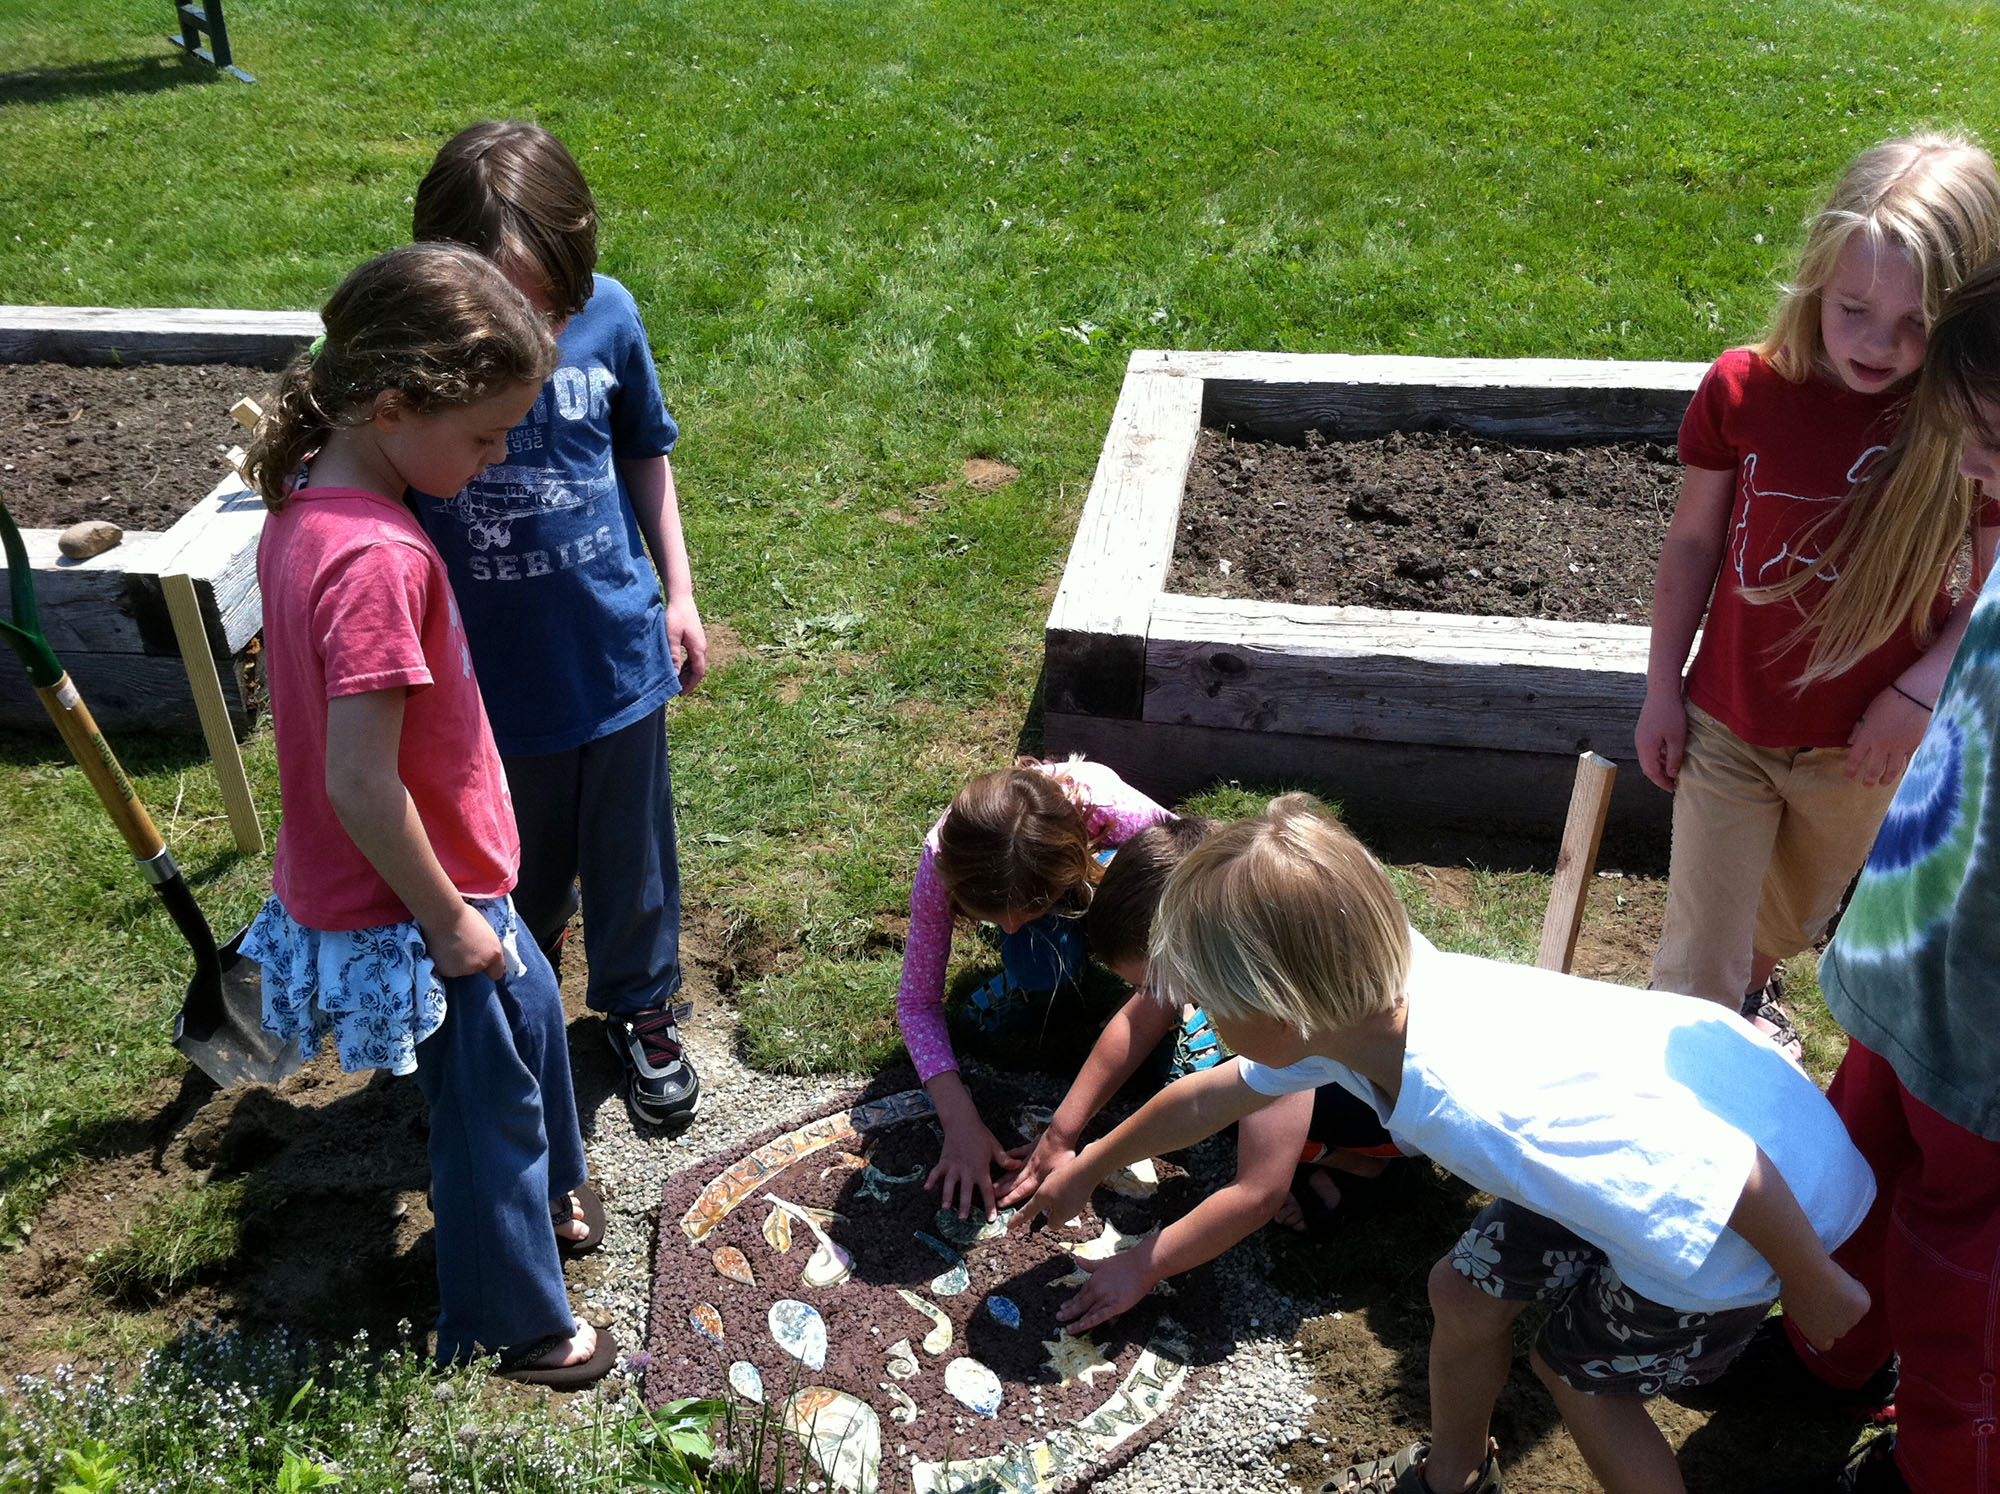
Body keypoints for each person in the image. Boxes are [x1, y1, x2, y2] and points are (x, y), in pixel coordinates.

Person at [1014, 795, 1877, 1494]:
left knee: (1579, 1378)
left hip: (1741, 1228)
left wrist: (1817, 1287)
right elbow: (1220, 1091)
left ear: (1282, 1006)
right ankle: (1454, 1477)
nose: (1196, 1018)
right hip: (1697, 1124)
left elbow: (1726, 1172)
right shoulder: (1364, 1001)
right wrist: (1086, 1163)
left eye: (1204, 999)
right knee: (1461, 1293)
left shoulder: (1480, 1110)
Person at [238, 245, 615, 1387]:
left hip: (448, 879)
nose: (498, 457)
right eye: (485, 436)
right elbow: (360, 781)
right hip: (421, 901)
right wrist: (451, 924)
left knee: (535, 1023)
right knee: (486, 1108)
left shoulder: (315, 500)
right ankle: (521, 1322)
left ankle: (552, 1201)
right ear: (394, 405)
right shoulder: (375, 562)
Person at [1637, 133, 2000, 1052]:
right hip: (1729, 724)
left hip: (1860, 750)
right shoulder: (1745, 389)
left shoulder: (1968, 427)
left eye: (1917, 325)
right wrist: (1658, 687)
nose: (1877, 345)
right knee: (1698, 961)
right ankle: (1682, 1086)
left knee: (1788, 922)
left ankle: (1751, 995)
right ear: (1815, 280)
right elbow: (1691, 543)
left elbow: (1991, 578)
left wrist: (1918, 692)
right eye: (1852, 309)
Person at [411, 120, 706, 1132]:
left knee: (632, 856)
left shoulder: (611, 317)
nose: (533, 323)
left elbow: (645, 457)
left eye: (548, 302)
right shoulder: (413, 354)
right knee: (510, 863)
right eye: (508, 302)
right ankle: (510, 1002)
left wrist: (678, 590)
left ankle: (639, 1005)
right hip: (484, 681)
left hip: (616, 649)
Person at [1759, 258, 2000, 1494]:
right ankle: (1831, 1346)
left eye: (1992, 449)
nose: (1968, 471)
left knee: (1962, 1266)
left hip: (1985, 1046)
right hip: (1909, 956)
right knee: (1850, 1178)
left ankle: (1936, 1459)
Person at [998, 818, 1407, 1333]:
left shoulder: (1295, 1032)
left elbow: (1257, 1192)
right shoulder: (1255, 923)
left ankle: (1362, 1165)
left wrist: (1143, 1265)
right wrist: (1066, 1139)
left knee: (1240, 1117)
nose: (1178, 1002)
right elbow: (1145, 1024)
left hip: (1379, 1115)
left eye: (1173, 985)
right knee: (1213, 1085)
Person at [898, 756, 1172, 1220]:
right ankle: (1048, 977)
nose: (1005, 926)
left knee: (1163, 994)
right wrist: (958, 1118)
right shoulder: (941, 861)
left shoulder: (1123, 814)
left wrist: (1153, 991)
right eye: (991, 916)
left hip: (1107, 869)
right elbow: (916, 1002)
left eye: (1022, 911)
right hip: (1060, 886)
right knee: (1034, 960)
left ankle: (1150, 981)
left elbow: (1192, 875)